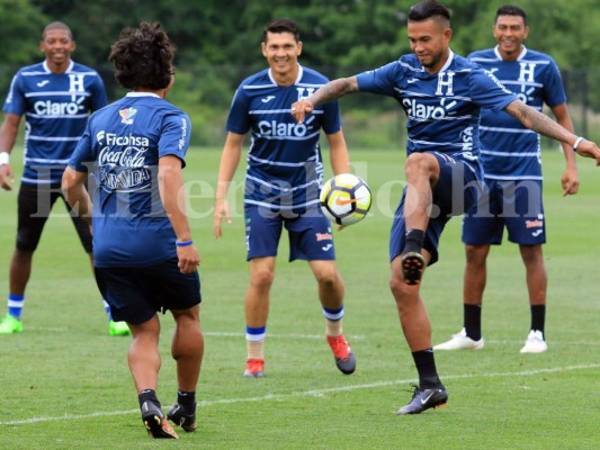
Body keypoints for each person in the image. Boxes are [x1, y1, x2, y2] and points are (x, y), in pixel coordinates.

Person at [292, 0, 600, 415]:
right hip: (423, 193)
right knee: (401, 283)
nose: (418, 47)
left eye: (425, 39)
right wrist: (311, 99)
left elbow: (525, 113)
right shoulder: (402, 72)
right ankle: (430, 385)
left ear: (446, 36)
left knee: (419, 162)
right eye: (412, 40)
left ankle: (415, 248)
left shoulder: (469, 76)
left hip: (465, 179)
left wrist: (576, 142)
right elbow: (346, 84)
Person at [62, 22, 203, 439]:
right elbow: (167, 178)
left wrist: (92, 221)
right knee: (188, 315)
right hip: (160, 244)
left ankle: (148, 398)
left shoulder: (101, 118)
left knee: (144, 329)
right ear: (167, 74)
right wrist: (185, 239)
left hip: (110, 249)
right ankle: (188, 407)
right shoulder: (172, 117)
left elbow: (70, 181)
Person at [214, 19, 356, 378]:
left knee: (327, 275)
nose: (281, 53)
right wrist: (221, 195)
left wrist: (344, 187)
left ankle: (335, 336)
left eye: (287, 46)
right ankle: (254, 358)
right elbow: (233, 143)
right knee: (261, 276)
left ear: (299, 48)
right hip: (262, 192)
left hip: (308, 193)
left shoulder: (320, 88)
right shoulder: (249, 90)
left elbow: (335, 141)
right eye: (274, 47)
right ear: (264, 50)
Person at [435, 5, 578, 354]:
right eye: (503, 27)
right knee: (474, 251)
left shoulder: (543, 66)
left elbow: (561, 118)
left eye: (515, 27)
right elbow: (458, 111)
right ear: (494, 30)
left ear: (525, 31)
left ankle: (537, 334)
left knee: (531, 251)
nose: (509, 33)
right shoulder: (476, 63)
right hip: (481, 177)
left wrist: (571, 164)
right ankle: (471, 334)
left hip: (524, 176)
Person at [0, 21, 129, 336]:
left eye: (63, 41)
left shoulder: (89, 79)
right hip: (38, 174)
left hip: (79, 175)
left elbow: (103, 125)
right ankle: (13, 315)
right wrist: (3, 160)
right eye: (51, 41)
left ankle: (115, 314)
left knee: (97, 245)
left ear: (72, 45)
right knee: (24, 245)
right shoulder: (25, 78)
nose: (58, 47)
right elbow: (12, 123)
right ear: (42, 45)